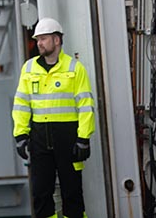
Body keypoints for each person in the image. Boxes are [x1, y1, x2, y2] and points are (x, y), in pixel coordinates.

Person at [12, 17, 96, 218]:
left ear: (57, 40)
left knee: (72, 194)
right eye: (38, 39)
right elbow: (21, 105)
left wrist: (83, 139)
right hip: (39, 139)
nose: (39, 43)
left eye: (43, 38)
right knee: (41, 194)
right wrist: (21, 135)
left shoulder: (75, 69)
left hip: (68, 139)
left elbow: (86, 106)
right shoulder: (29, 68)